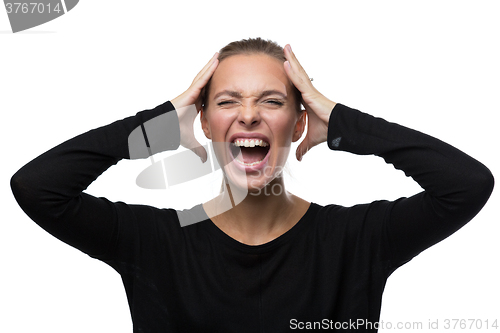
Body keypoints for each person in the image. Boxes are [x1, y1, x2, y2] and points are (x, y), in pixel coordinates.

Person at [10, 37, 494, 332]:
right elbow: (37, 188)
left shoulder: (357, 241)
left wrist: (343, 120)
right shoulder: (152, 242)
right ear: (200, 122)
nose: (248, 115)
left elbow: (467, 185)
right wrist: (154, 126)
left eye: (271, 101)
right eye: (226, 102)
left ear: (300, 121)